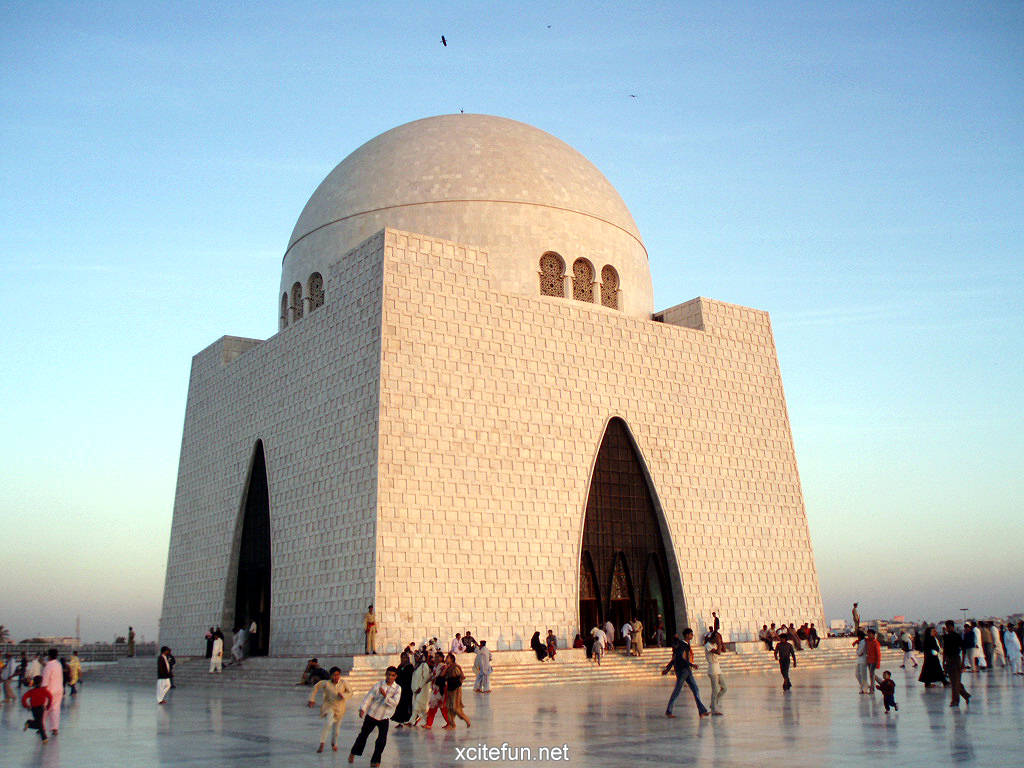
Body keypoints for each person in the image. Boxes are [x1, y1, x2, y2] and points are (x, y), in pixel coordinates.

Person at [348, 666, 401, 766]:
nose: (390, 677)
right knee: (363, 736)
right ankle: (353, 752)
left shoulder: (397, 688)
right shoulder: (379, 684)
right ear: (386, 674)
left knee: (381, 740)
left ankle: (375, 760)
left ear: (396, 676)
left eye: (392, 675)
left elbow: (395, 703)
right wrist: (362, 708)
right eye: (388, 674)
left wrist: (385, 696)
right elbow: (369, 696)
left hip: (384, 717)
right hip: (372, 714)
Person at [662, 629, 709, 718]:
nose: (692, 636)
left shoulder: (685, 644)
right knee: (677, 691)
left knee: (695, 690)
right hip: (682, 670)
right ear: (687, 635)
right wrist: (692, 665)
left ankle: (701, 711)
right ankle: (669, 711)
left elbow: (676, 658)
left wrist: (667, 669)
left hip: (687, 670)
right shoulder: (682, 645)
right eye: (691, 634)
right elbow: (679, 658)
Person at [308, 666, 352, 752]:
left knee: (336, 730)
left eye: (338, 675)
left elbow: (350, 692)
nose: (336, 677)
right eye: (334, 675)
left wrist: (343, 695)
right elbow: (315, 687)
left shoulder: (343, 683)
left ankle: (334, 743)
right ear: (330, 675)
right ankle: (322, 743)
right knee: (328, 723)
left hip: (340, 708)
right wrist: (311, 699)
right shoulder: (326, 683)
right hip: (329, 706)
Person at [943, 620, 971, 707]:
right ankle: (965, 695)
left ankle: (955, 701)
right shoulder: (946, 637)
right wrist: (944, 661)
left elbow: (963, 650)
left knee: (955, 681)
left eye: (949, 627)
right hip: (949, 660)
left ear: (952, 627)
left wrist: (963, 662)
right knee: (954, 681)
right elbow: (945, 650)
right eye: (947, 627)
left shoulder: (956, 636)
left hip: (955, 659)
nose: (948, 629)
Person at [21, 675, 52, 743]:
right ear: (41, 682)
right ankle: (44, 738)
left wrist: (26, 706)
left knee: (39, 723)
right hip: (41, 708)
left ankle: (29, 723)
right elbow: (50, 697)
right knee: (40, 723)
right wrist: (48, 706)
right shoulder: (44, 690)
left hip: (34, 708)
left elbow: (24, 698)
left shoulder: (32, 691)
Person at [443, 653, 471, 728]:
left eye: (447, 657)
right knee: (449, 707)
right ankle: (452, 724)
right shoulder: (448, 667)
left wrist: (458, 685)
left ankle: (466, 719)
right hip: (449, 689)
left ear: (451, 659)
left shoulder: (455, 667)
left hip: (456, 689)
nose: (446, 659)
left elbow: (462, 677)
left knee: (455, 707)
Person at [41, 649, 63, 736]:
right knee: (56, 709)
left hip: (49, 691)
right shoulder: (58, 665)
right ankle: (55, 728)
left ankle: (42, 727)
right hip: (59, 690)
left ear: (49, 656)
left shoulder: (48, 666)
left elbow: (45, 682)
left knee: (45, 709)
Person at [704, 628, 726, 715]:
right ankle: (713, 709)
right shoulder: (708, 645)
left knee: (724, 688)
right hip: (712, 668)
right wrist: (719, 643)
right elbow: (718, 652)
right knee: (715, 690)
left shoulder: (716, 644)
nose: (718, 639)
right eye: (716, 638)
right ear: (713, 638)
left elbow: (723, 650)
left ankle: (713, 703)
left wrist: (721, 642)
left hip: (718, 668)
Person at [391, 654, 415, 727]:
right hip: (400, 689)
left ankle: (410, 720)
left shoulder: (410, 667)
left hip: (407, 690)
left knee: (407, 705)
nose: (403, 659)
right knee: (400, 706)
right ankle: (400, 721)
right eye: (402, 658)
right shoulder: (400, 666)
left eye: (404, 658)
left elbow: (410, 678)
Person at [409, 653, 433, 724]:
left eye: (418, 657)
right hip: (415, 689)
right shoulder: (416, 666)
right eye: (415, 657)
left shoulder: (424, 665)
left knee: (418, 706)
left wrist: (420, 687)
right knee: (420, 707)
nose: (416, 658)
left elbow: (426, 677)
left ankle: (412, 721)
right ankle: (427, 722)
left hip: (422, 689)